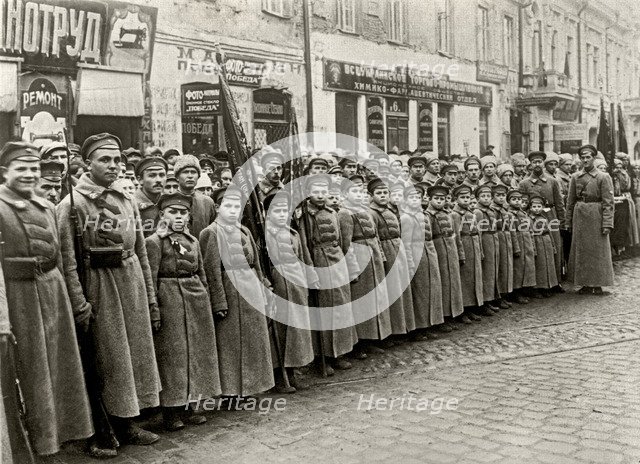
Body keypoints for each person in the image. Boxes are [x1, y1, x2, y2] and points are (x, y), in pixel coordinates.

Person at [57, 133, 162, 454]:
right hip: (99, 288)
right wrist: (79, 303)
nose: (113, 166)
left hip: (130, 284)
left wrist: (150, 297)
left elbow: (141, 252)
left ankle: (128, 422)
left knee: (132, 356)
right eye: (105, 160)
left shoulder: (126, 198)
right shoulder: (71, 206)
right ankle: (100, 428)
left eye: (117, 160)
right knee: (108, 359)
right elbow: (68, 263)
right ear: (88, 164)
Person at [0, 141, 93, 457]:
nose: (28, 174)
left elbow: (65, 257)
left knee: (58, 368)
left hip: (54, 294)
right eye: (20, 168)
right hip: (19, 296)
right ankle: (38, 447)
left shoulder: (48, 207)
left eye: (32, 169)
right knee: (32, 373)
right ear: (4, 173)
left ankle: (60, 440)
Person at [145, 192, 220, 430]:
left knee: (194, 354)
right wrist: (155, 309)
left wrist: (206, 298)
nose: (178, 217)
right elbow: (150, 278)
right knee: (173, 357)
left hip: (195, 299)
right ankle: (171, 411)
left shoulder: (193, 241)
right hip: (170, 300)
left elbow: (202, 273)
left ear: (189, 215)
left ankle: (190, 406)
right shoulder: (154, 242)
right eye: (172, 212)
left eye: (183, 212)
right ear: (162, 214)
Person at [199, 186, 275, 396]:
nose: (233, 210)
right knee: (231, 343)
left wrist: (263, 287)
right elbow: (211, 270)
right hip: (230, 292)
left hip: (251, 288)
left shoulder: (245, 230)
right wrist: (219, 302)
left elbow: (257, 263)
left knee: (253, 339)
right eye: (227, 205)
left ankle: (252, 386)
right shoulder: (211, 233)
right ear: (217, 207)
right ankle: (232, 391)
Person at [299, 174, 357, 371]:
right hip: (318, 261)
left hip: (337, 261)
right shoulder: (304, 216)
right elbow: (304, 245)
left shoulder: (333, 212)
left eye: (324, 191)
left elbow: (341, 241)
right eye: (316, 191)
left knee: (341, 307)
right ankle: (322, 356)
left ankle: (340, 351)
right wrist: (310, 270)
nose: (321, 195)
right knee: (323, 310)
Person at [263, 192, 317, 391]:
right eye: (276, 210)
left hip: (297, 281)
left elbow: (303, 257)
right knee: (280, 329)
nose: (281, 214)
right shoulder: (265, 234)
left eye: (284, 210)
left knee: (297, 328)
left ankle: (293, 370)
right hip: (279, 281)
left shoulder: (293, 232)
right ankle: (279, 374)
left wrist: (310, 276)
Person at [338, 176, 392, 353]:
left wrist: (381, 256)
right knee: (361, 300)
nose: (359, 195)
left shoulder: (367, 211)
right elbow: (346, 243)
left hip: (373, 256)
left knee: (376, 298)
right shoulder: (345, 213)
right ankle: (362, 342)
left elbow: (375, 236)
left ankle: (376, 337)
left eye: (360, 191)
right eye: (354, 191)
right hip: (360, 258)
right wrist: (353, 267)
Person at [368, 178, 416, 337]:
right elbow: (374, 237)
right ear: (371, 195)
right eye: (378, 193)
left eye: (385, 193)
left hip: (398, 249)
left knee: (402, 288)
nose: (382, 196)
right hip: (386, 251)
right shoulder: (372, 213)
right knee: (392, 290)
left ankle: (405, 327)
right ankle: (394, 330)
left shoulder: (391, 211)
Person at [566, 144, 615, 295]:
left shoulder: (603, 177)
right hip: (580, 216)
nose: (585, 160)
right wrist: (568, 221)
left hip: (596, 215)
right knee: (582, 250)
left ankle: (598, 283)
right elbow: (570, 201)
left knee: (598, 251)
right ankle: (585, 283)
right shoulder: (575, 177)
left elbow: (609, 202)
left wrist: (607, 223)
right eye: (583, 158)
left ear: (594, 158)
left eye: (588, 157)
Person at [401, 184, 444, 338]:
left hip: (428, 252)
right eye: (411, 197)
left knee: (431, 288)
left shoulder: (423, 215)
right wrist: (411, 263)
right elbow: (406, 243)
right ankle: (418, 328)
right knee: (419, 292)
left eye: (417, 197)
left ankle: (431, 323)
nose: (415, 200)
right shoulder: (406, 217)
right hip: (415, 254)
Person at [518, 151, 565, 289]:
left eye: (539, 162)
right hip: (532, 219)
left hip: (551, 216)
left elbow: (559, 202)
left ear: (543, 164)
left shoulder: (552, 181)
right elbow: (522, 204)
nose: (537, 165)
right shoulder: (524, 183)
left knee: (555, 247)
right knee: (538, 249)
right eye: (534, 162)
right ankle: (538, 285)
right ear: (530, 164)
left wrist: (561, 221)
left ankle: (555, 282)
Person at [426, 184, 464, 330]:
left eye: (442, 198)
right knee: (441, 283)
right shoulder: (428, 215)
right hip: (438, 250)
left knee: (453, 282)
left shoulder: (449, 214)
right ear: (430, 199)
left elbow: (456, 235)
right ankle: (442, 317)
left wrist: (460, 253)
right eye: (436, 198)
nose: (439, 201)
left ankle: (454, 313)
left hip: (451, 248)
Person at [450, 184, 483, 322]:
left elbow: (478, 233)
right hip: (465, 245)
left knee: (475, 277)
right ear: (456, 199)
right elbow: (456, 235)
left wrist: (480, 250)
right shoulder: (455, 215)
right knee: (465, 279)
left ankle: (474, 307)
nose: (465, 200)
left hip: (474, 245)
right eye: (462, 198)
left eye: (468, 198)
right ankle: (464, 310)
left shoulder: (471, 214)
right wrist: (461, 253)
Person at [492, 183, 520, 308]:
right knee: (500, 270)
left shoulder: (505, 210)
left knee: (507, 268)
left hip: (506, 239)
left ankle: (505, 295)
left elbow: (511, 228)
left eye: (503, 195)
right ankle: (498, 297)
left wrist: (515, 246)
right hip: (498, 240)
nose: (501, 198)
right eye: (498, 195)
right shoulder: (493, 210)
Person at [474, 185, 501, 315]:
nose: (486, 199)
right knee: (486, 273)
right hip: (485, 241)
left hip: (493, 240)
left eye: (488, 196)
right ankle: (484, 302)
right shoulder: (478, 212)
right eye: (483, 196)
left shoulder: (491, 210)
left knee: (492, 271)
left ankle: (491, 299)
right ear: (477, 198)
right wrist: (480, 249)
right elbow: (478, 231)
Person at [174, 155, 215, 238]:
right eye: (185, 172)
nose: (190, 176)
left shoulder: (208, 202)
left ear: (198, 176)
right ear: (177, 177)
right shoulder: (168, 201)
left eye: (193, 172)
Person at [507, 190, 535, 303]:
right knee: (518, 269)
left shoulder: (523, 213)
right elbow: (512, 231)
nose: (517, 202)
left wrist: (532, 245)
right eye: (514, 199)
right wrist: (516, 247)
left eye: (519, 199)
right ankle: (516, 293)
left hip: (526, 240)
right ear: (508, 201)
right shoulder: (509, 214)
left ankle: (525, 289)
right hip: (518, 240)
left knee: (526, 267)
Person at [529, 194, 557, 298]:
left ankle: (547, 287)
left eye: (539, 207)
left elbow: (549, 232)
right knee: (539, 265)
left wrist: (553, 245)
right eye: (534, 207)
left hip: (546, 242)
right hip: (537, 241)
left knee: (548, 265)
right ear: (531, 208)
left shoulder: (544, 218)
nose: (537, 209)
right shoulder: (530, 219)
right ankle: (537, 288)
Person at [134, 157, 168, 237]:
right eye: (152, 175)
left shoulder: (168, 203)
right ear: (140, 180)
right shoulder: (132, 205)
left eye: (162, 175)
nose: (158, 180)